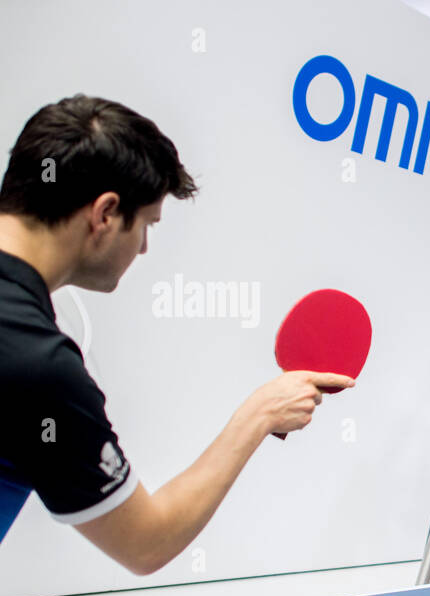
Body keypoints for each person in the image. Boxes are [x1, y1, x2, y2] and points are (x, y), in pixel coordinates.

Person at [0, 95, 352, 571]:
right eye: (146, 225)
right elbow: (146, 542)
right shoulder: (40, 367)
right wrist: (261, 413)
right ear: (105, 214)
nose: (144, 248)